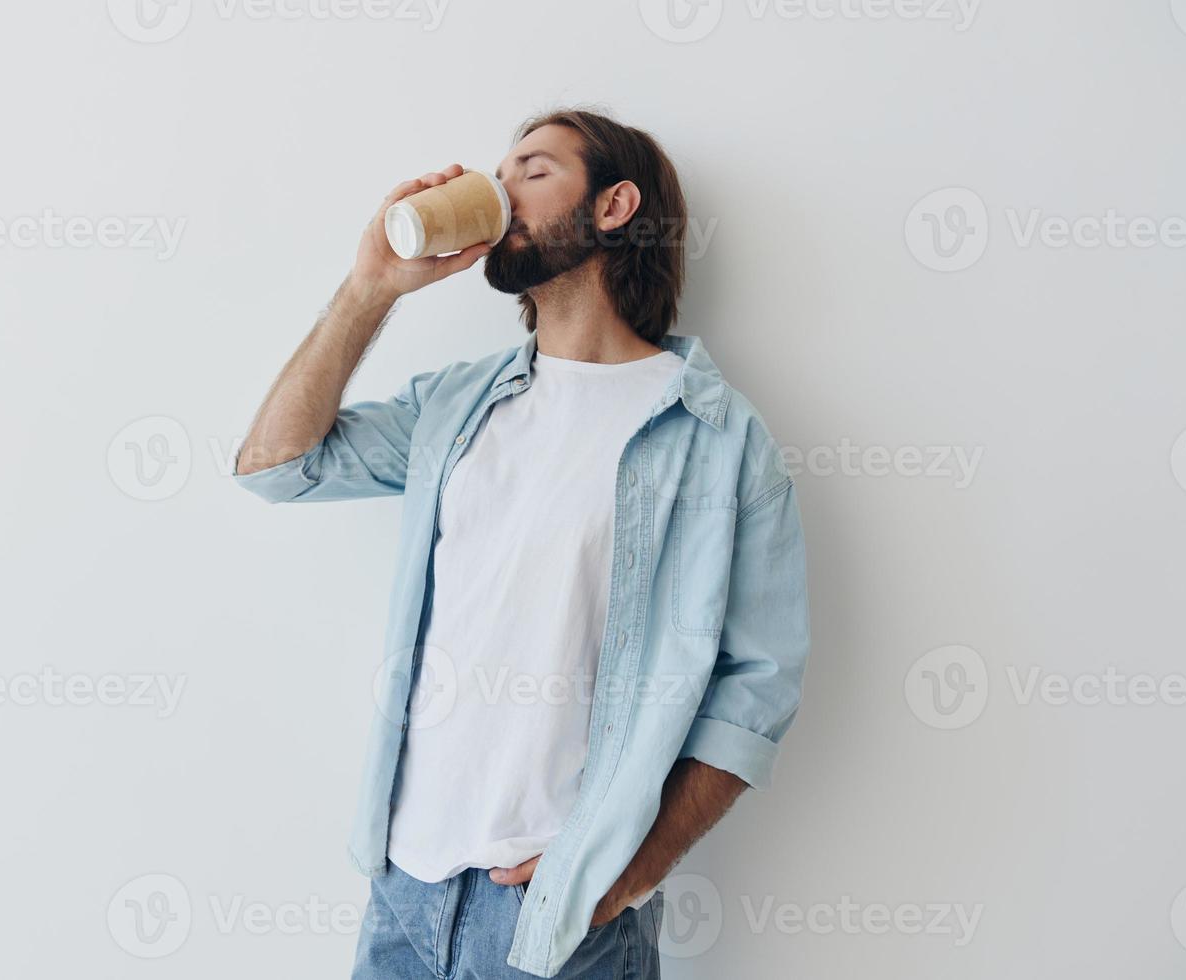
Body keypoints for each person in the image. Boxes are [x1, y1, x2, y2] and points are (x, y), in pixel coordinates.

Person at [233, 107, 811, 979]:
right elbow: (275, 464)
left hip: (557, 924)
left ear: (614, 207)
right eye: (500, 174)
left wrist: (627, 873)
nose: (500, 192)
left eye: (532, 171)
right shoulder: (456, 406)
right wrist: (370, 288)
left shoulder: (716, 439)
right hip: (402, 893)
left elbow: (758, 689)